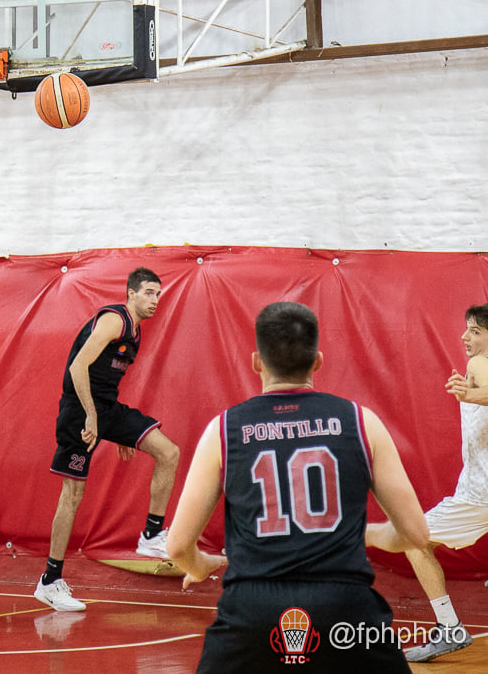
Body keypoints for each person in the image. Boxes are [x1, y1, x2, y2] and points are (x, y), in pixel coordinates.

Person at [167, 302, 429, 672]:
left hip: (252, 611)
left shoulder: (223, 430)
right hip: (346, 610)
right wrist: (363, 535)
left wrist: (201, 564)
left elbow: (177, 546)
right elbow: (416, 534)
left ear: (257, 361)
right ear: (318, 360)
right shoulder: (361, 421)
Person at [33, 267, 180, 613]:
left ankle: (152, 535)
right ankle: (50, 581)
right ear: (130, 293)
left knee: (168, 452)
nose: (154, 300)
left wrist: (118, 431)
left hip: (106, 408)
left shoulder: (137, 331)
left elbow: (104, 379)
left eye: (158, 294)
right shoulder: (115, 320)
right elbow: (77, 367)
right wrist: (91, 416)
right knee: (73, 493)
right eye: (148, 292)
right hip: (79, 410)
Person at [366, 303, 488, 662]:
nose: (466, 337)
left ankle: (449, 628)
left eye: (476, 331)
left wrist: (473, 395)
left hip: (479, 496)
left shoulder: (479, 363)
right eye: (466, 329)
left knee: (413, 539)